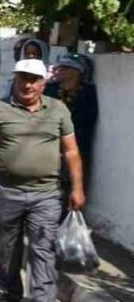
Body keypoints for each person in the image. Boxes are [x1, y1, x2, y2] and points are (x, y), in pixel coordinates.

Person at [0, 58, 85, 302]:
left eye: (34, 79)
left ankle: (42, 301)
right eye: (22, 78)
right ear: (15, 80)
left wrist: (77, 187)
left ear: (43, 83)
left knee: (43, 246)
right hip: (5, 190)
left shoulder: (58, 110)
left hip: (47, 192)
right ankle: (11, 291)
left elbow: (71, 150)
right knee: (6, 249)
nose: (27, 84)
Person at [45, 55, 99, 198]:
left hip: (75, 145)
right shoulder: (50, 89)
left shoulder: (87, 92)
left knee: (70, 186)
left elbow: (87, 119)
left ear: (78, 71)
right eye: (60, 67)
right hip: (49, 145)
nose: (60, 70)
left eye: (66, 68)